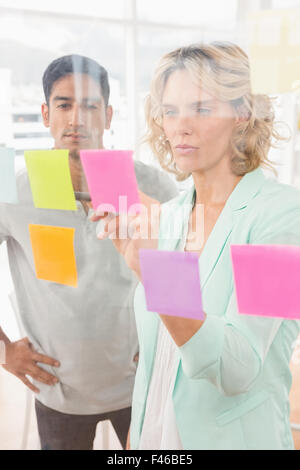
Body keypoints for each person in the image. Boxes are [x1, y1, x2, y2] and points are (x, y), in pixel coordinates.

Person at [93, 42, 300, 450]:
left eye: (201, 109)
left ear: (242, 114)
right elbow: (157, 360)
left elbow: (238, 367)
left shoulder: (283, 217)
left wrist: (158, 272)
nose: (179, 126)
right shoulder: (167, 215)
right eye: (170, 111)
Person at [0, 54, 178, 450]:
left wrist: (165, 345)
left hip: (140, 384)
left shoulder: (153, 188)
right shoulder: (14, 190)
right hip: (59, 389)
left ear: (109, 115)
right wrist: (5, 350)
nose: (76, 118)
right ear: (46, 114)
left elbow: (183, 276)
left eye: (90, 106)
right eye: (63, 104)